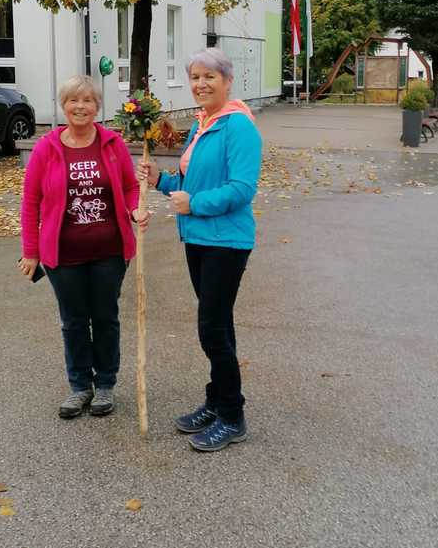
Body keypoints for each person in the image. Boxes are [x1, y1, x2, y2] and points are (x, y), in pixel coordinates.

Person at [138, 48, 262, 452]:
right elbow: (189, 183)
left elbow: (242, 189)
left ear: (227, 81)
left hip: (226, 240)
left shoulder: (238, 125)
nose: (200, 84)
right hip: (198, 238)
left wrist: (195, 204)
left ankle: (232, 416)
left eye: (209, 76)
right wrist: (160, 180)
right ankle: (218, 400)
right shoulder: (202, 123)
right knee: (219, 325)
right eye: (195, 77)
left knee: (211, 329)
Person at [19, 75, 148, 419]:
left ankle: (105, 384)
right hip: (63, 255)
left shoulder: (112, 144)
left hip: (109, 251)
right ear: (64, 105)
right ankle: (79, 387)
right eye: (74, 100)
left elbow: (130, 187)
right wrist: (31, 252)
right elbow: (31, 201)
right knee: (73, 321)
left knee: (105, 318)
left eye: (88, 100)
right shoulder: (47, 148)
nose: (80, 107)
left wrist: (135, 209)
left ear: (97, 106)